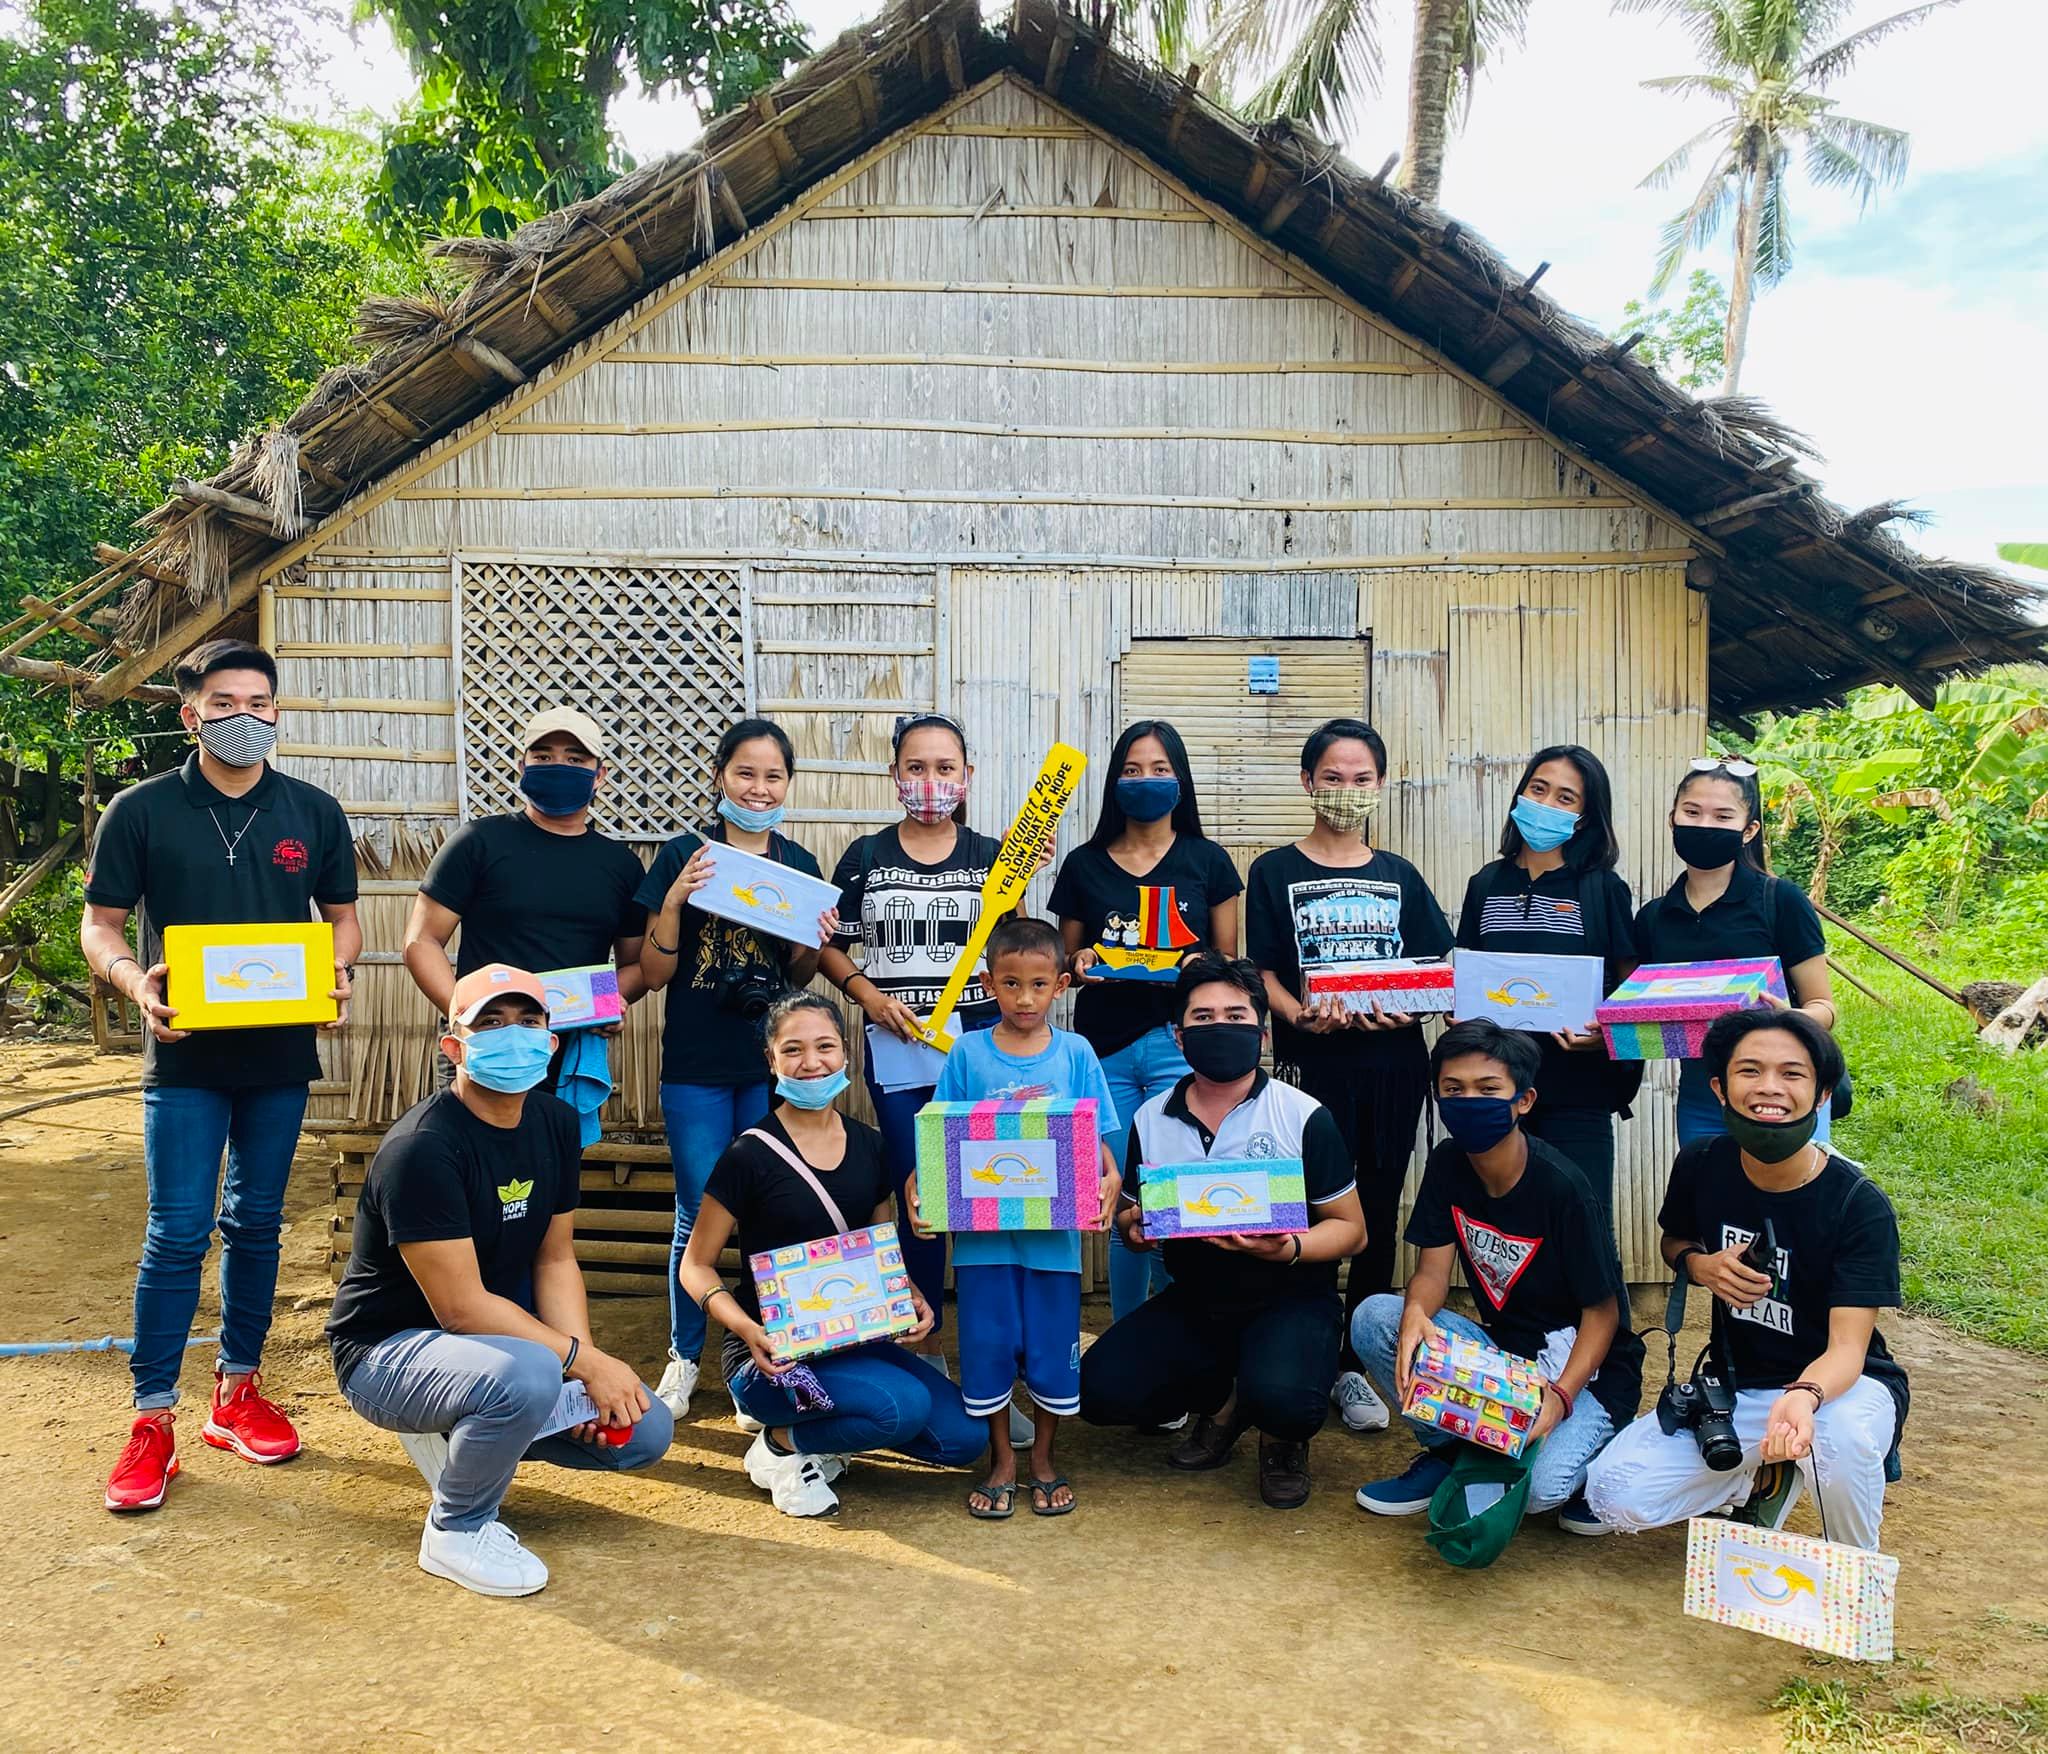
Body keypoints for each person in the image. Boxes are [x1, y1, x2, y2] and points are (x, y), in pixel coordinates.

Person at [81, 638, 360, 1514]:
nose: (245, 717)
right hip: (185, 1057)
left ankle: (238, 1391)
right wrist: (137, 983)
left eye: (259, 703)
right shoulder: (141, 810)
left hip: (279, 1057)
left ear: (277, 711)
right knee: (176, 1232)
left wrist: (336, 971)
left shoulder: (313, 812)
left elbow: (342, 920)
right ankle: (152, 1417)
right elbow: (101, 925)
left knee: (258, 1224)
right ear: (190, 714)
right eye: (225, 703)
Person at [327, 965, 672, 1596]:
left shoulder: (555, 1122)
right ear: (453, 1047)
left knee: (645, 1431)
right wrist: (577, 1363)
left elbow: (554, 1259)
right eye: (489, 1022)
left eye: (527, 1020)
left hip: (495, 1349)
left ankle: (471, 1427)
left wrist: (582, 1373)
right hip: (387, 1353)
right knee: (529, 1374)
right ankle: (456, 1529)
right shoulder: (422, 1148)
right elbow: (460, 1309)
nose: (511, 1034)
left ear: (551, 1042)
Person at [1583, 1010, 1906, 1549]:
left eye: (1792, 1073)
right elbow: (1674, 1240)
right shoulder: (1702, 1163)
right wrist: (1699, 1264)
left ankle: (1857, 1570)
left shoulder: (1856, 1203)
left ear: (1823, 1095)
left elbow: (1848, 1349)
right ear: (1720, 1087)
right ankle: (1759, 1478)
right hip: (1739, 1384)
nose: (1769, 1087)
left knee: (1841, 1440)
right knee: (1611, 1494)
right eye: (1750, 1071)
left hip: (1841, 1388)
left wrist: (1804, 1396)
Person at [679, 993, 984, 1517]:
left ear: (845, 1052)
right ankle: (780, 1446)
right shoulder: (748, 1155)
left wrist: (907, 1295)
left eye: (824, 1046)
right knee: (902, 1406)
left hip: (851, 1338)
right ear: (771, 1060)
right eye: (792, 1050)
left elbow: (878, 1245)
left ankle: (827, 1436)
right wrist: (748, 1331)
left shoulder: (870, 1145)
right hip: (773, 1357)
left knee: (964, 1439)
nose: (811, 1062)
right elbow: (695, 1265)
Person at [1079, 955, 1367, 1509]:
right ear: (1179, 1036)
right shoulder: (1150, 1118)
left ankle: (1280, 1436)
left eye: (1236, 1016)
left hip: (1290, 1294)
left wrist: (1289, 1248)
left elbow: (1352, 1231)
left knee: (1287, 1401)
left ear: (1262, 1032)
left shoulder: (1302, 1115)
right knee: (1097, 1391)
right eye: (1203, 1017)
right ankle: (1227, 1402)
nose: (1220, 1027)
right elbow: (1134, 1216)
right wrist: (1135, 1230)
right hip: (1197, 1298)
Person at [1242, 717, 1450, 1436]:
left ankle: (1354, 1362)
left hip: (1394, 1065)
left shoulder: (1400, 875)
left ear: (1381, 785)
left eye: (1362, 779)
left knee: (1379, 1205)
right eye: (1333, 777)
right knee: (1306, 1204)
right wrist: (1297, 1015)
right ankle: (1299, 1349)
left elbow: (1436, 969)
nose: (1347, 790)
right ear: (1308, 782)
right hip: (1313, 1065)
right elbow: (1264, 969)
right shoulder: (1273, 871)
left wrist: (1407, 1009)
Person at [1351, 1020, 1643, 1528]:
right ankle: (1449, 1453)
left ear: (1524, 1100)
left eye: (1488, 1090)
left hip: (1587, 1372)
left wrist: (1561, 1397)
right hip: (1506, 1355)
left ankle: (1606, 1443)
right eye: (1453, 1089)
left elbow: (1603, 1313)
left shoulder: (1564, 1187)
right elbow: (1432, 1271)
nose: (1469, 1102)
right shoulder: (1448, 1163)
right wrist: (1417, 1313)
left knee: (1540, 1493)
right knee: (1377, 1317)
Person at [634, 718, 833, 1421]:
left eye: (774, 776)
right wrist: (675, 898)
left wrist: (814, 939)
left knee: (766, 1209)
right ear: (720, 775)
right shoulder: (682, 854)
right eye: (746, 773)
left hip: (769, 1066)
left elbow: (799, 976)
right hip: (694, 1063)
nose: (759, 788)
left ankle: (756, 1358)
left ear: (789, 784)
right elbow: (653, 973)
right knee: (697, 1210)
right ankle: (684, 1356)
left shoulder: (798, 865)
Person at [918, 916, 1121, 1518]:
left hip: (1054, 1242)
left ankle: (1044, 1461)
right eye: (1010, 984)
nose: (1025, 999)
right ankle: (1003, 1461)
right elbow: (941, 1134)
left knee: (1052, 1347)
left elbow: (1096, 1138)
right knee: (988, 1346)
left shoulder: (1077, 1053)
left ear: (1061, 985)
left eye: (1038, 985)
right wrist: (920, 1187)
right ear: (988, 984)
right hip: (984, 1242)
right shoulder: (967, 1052)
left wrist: (1111, 1177)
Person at [819, 712, 1002, 1359]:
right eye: (916, 767)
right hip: (896, 1050)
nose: (930, 780)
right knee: (918, 1192)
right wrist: (867, 994)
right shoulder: (865, 856)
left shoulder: (992, 855)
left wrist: (1024, 877)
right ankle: (925, 1344)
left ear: (967, 775)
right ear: (894, 774)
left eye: (944, 767)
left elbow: (1011, 952)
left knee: (983, 1190)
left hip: (977, 1046)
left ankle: (987, 1349)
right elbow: (829, 947)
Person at [1051, 720, 1242, 1322]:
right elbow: (1067, 959)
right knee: (1123, 1199)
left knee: (1174, 1198)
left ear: (1180, 780)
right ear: (1115, 782)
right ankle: (1128, 1336)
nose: (1146, 780)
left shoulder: (1208, 861)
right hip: (1103, 1049)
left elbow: (1228, 962)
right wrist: (1081, 960)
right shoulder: (1083, 864)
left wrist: (1198, 965)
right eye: (1132, 770)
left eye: (1160, 769)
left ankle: (1182, 1330)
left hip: (1179, 1046)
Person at [402, 704, 648, 1106]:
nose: (559, 766)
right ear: (522, 767)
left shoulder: (621, 865)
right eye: (543, 757)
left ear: (599, 775)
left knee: (555, 1146)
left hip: (567, 1051)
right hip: (483, 1048)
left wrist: (606, 1003)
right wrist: (465, 1015)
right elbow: (421, 941)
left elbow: (635, 965)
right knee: (468, 1145)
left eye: (575, 759)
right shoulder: (477, 842)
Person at [1452, 745, 1639, 1239]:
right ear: (1520, 794)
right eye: (1538, 789)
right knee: (1504, 1230)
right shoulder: (1485, 883)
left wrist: (1607, 1034)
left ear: (1585, 816)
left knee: (1585, 1226)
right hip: (1496, 1091)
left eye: (1565, 797)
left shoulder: (1602, 888)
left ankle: (1598, 1297)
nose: (1547, 803)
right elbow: (1469, 971)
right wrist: (1464, 1015)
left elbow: (1632, 989)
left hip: (1578, 1090)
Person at [1636, 758, 1837, 1147]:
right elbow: (1645, 1009)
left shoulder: (1781, 900)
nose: (1704, 825)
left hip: (1782, 1091)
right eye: (1692, 812)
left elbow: (1824, 1007)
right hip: (1704, 1093)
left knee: (1793, 1186)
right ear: (1672, 819)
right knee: (1711, 1184)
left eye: (1722, 816)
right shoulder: (1653, 918)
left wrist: (1790, 1018)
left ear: (1749, 830)